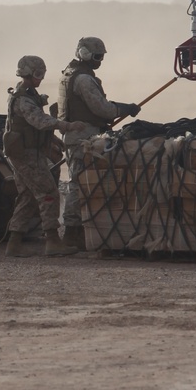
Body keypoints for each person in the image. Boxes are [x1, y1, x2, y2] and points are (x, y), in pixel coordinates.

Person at [57, 36, 140, 249]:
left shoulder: (69, 74)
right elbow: (100, 108)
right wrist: (123, 109)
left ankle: (80, 232)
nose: (100, 61)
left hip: (77, 136)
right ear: (85, 54)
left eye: (102, 56)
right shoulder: (83, 79)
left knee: (81, 182)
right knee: (78, 184)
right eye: (97, 56)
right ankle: (71, 234)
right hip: (82, 138)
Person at [3, 55, 77, 257]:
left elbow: (29, 127)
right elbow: (39, 121)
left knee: (28, 196)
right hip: (26, 155)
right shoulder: (23, 99)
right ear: (26, 74)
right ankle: (53, 241)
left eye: (42, 74)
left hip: (27, 152)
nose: (40, 78)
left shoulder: (28, 95)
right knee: (49, 193)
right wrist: (66, 126)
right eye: (37, 74)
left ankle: (14, 243)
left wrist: (52, 140)